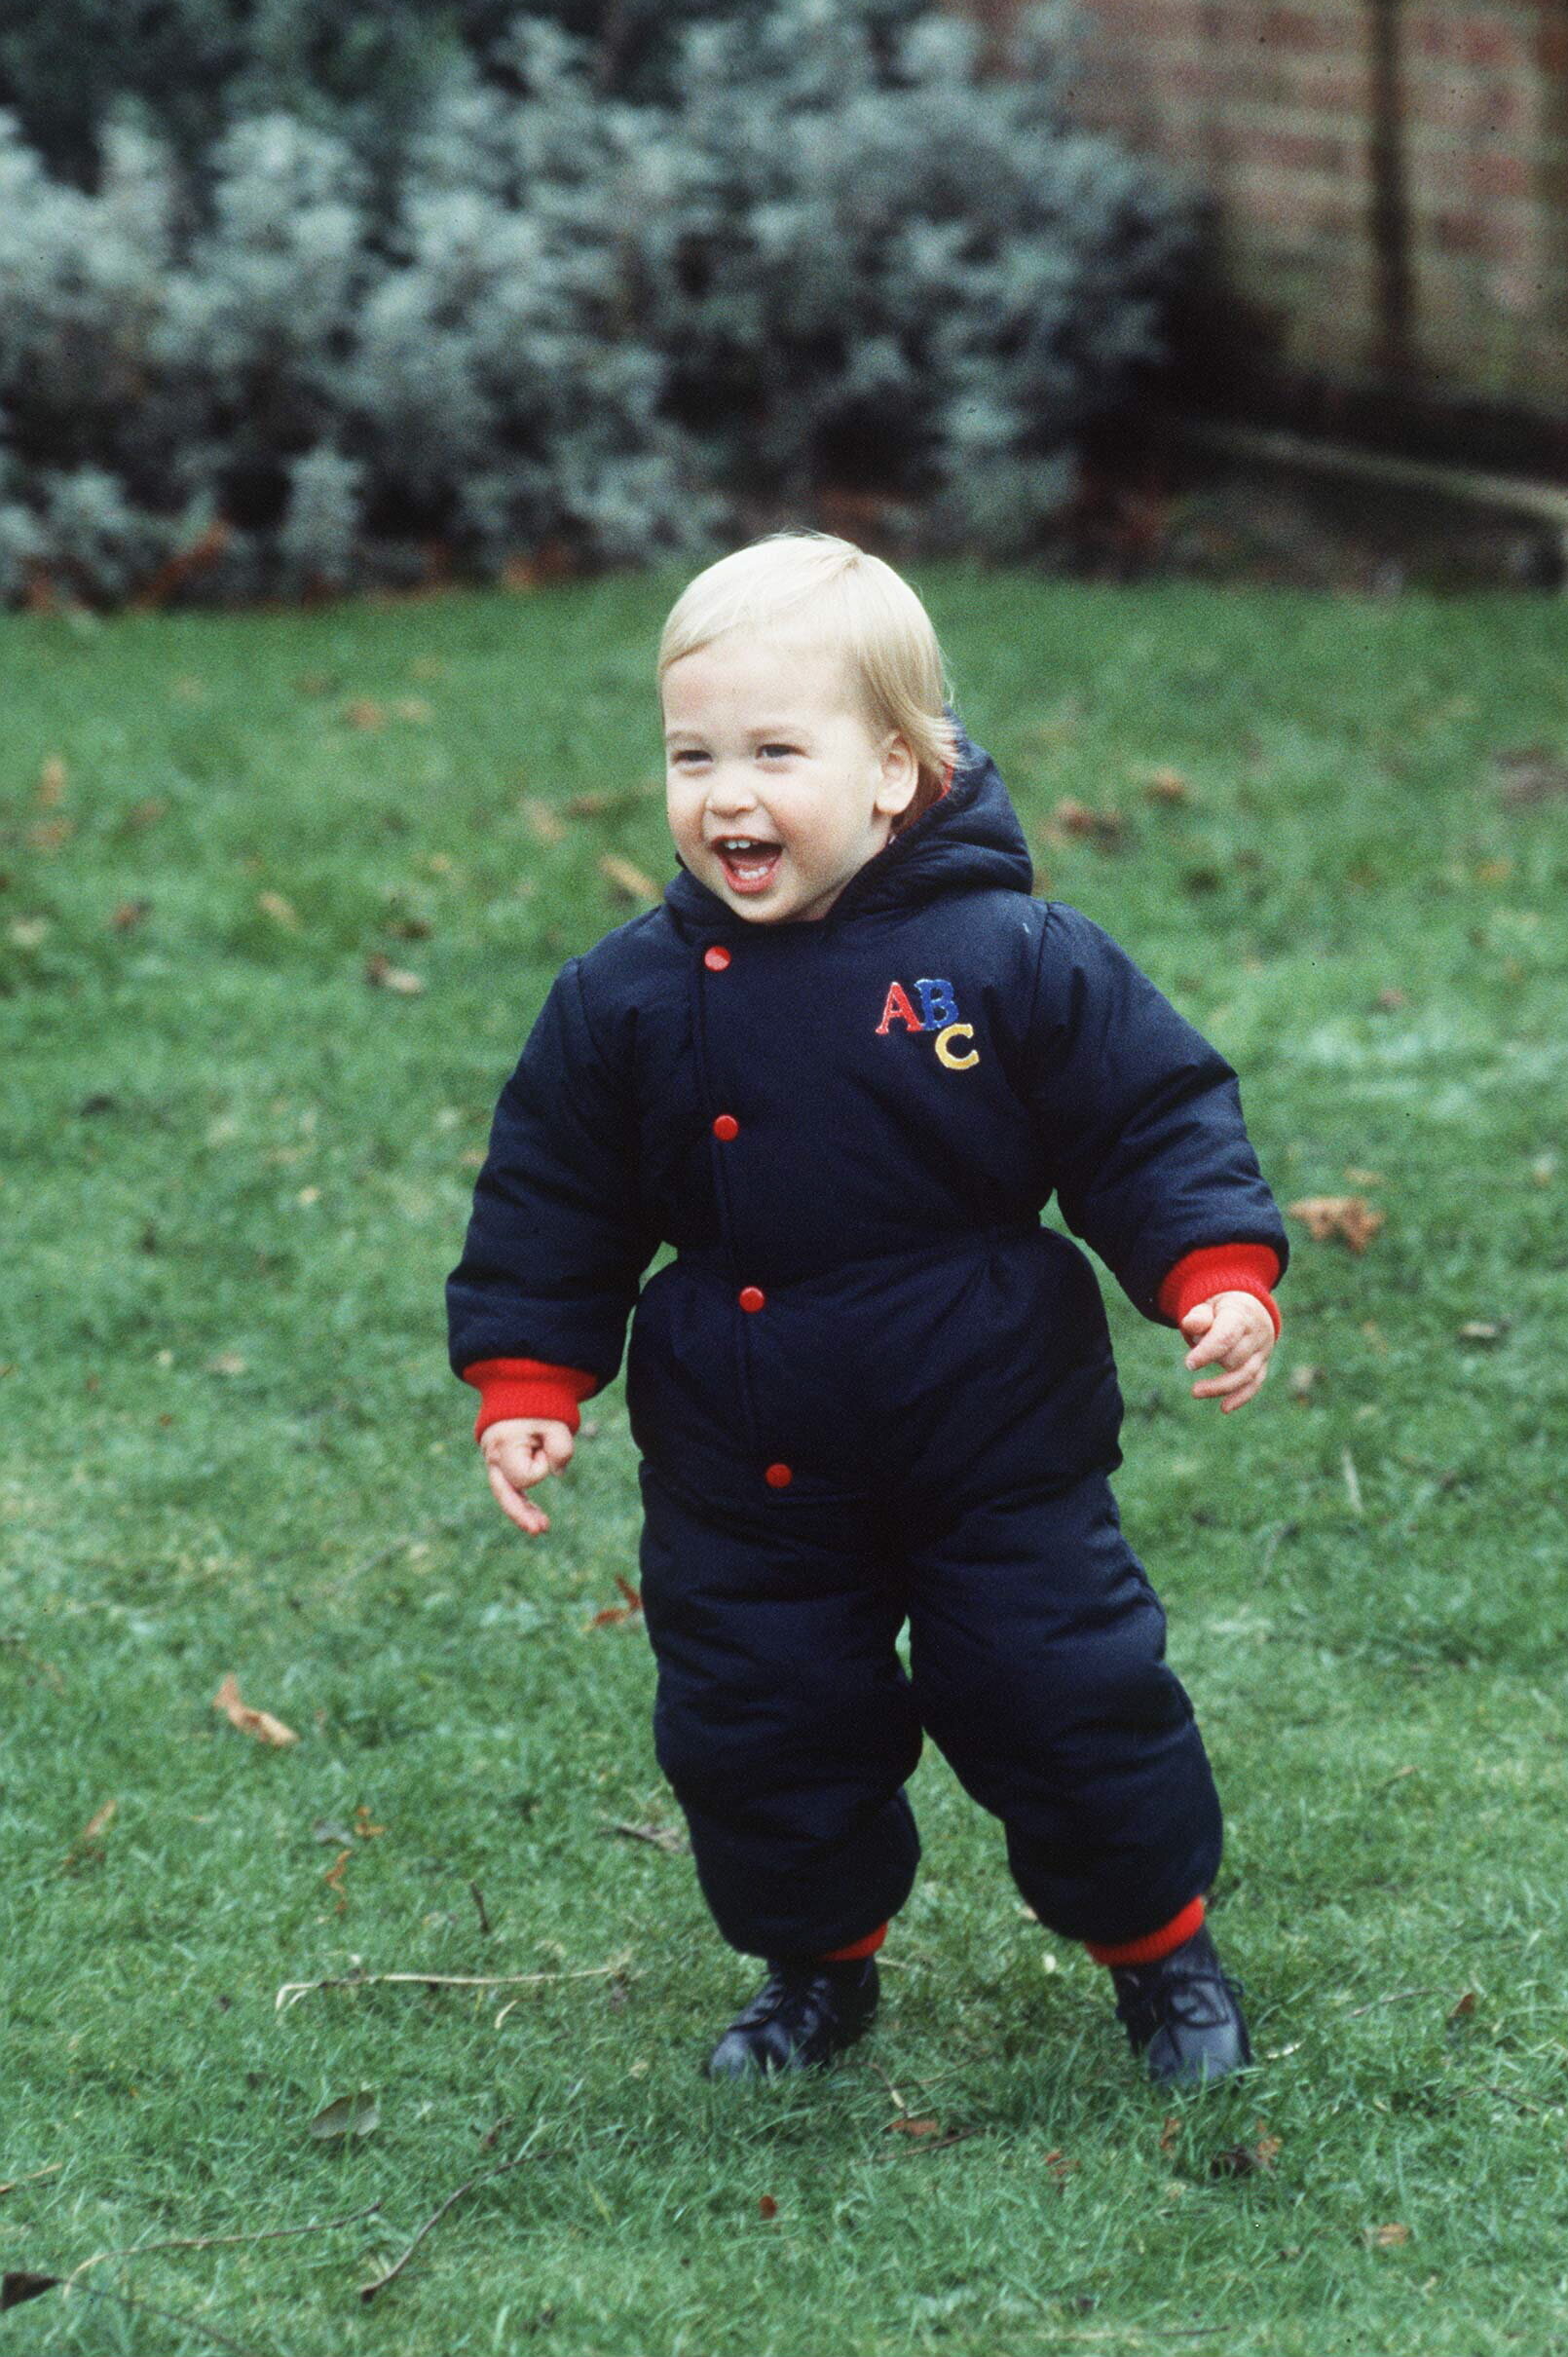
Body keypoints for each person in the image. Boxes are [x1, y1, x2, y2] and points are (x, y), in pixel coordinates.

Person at [447, 535, 1286, 2087]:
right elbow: (553, 1196)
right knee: (761, 1726)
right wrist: (527, 1379)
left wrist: (1210, 1274)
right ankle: (813, 1970)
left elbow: (1147, 1120)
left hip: (991, 1441)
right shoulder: (624, 998)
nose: (726, 796)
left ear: (897, 775)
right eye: (692, 755)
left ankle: (1162, 1958)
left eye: (776, 752)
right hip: (746, 1457)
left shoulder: (1010, 958)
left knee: (1065, 1695)